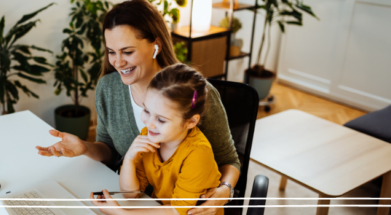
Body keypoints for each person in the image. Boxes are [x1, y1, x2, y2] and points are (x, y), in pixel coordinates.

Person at [36, 1, 240, 214]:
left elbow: (229, 160)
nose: (118, 62)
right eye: (111, 52)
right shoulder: (108, 88)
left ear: (156, 46)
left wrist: (224, 190)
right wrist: (84, 148)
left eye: (127, 51)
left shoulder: (193, 95)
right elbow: (111, 151)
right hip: (138, 202)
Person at [90, 64, 224, 215]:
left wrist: (121, 213)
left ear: (191, 122)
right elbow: (131, 194)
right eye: (146, 110)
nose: (149, 123)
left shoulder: (198, 153)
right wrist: (129, 159)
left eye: (161, 120)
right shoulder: (149, 136)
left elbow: (177, 211)